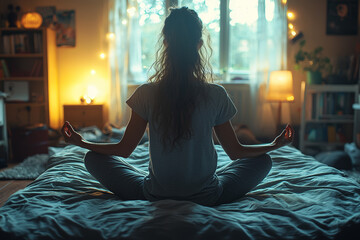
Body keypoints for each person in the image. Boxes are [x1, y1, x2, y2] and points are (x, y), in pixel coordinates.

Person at [61, 7, 294, 206]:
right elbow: (235, 152)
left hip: (155, 195)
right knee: (263, 160)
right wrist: (273, 144)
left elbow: (124, 150)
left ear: (165, 43)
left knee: (92, 158)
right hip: (207, 197)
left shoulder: (146, 93)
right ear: (199, 44)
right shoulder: (216, 94)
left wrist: (81, 142)